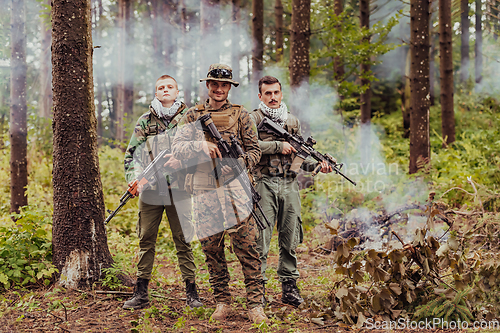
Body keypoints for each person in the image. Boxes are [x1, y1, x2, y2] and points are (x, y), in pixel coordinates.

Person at [171, 64, 268, 324]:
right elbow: (177, 147)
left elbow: (255, 151)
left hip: (237, 192)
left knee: (247, 248)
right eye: (214, 83)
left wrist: (239, 163)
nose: (218, 88)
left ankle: (255, 305)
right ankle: (222, 301)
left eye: (224, 84)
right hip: (204, 191)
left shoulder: (242, 115)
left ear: (229, 87)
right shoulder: (192, 115)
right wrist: (199, 145)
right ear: (208, 85)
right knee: (212, 249)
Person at [250, 76, 332, 307]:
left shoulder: (291, 121)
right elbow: (249, 146)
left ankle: (289, 286)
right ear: (260, 96)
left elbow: (297, 158)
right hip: (263, 182)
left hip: (289, 184)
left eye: (276, 92)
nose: (273, 97)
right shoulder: (253, 119)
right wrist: (278, 146)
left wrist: (317, 165)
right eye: (268, 93)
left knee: (290, 236)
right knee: (261, 238)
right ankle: (258, 290)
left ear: (281, 94)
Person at [123, 75, 202, 310]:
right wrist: (135, 179)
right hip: (151, 191)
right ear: (156, 93)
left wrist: (183, 162)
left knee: (183, 240)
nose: (165, 90)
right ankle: (141, 292)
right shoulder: (145, 121)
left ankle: (192, 292)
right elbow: (131, 155)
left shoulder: (191, 119)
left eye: (169, 87)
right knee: (146, 239)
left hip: (180, 190)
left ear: (177, 92)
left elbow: (202, 152)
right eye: (160, 88)